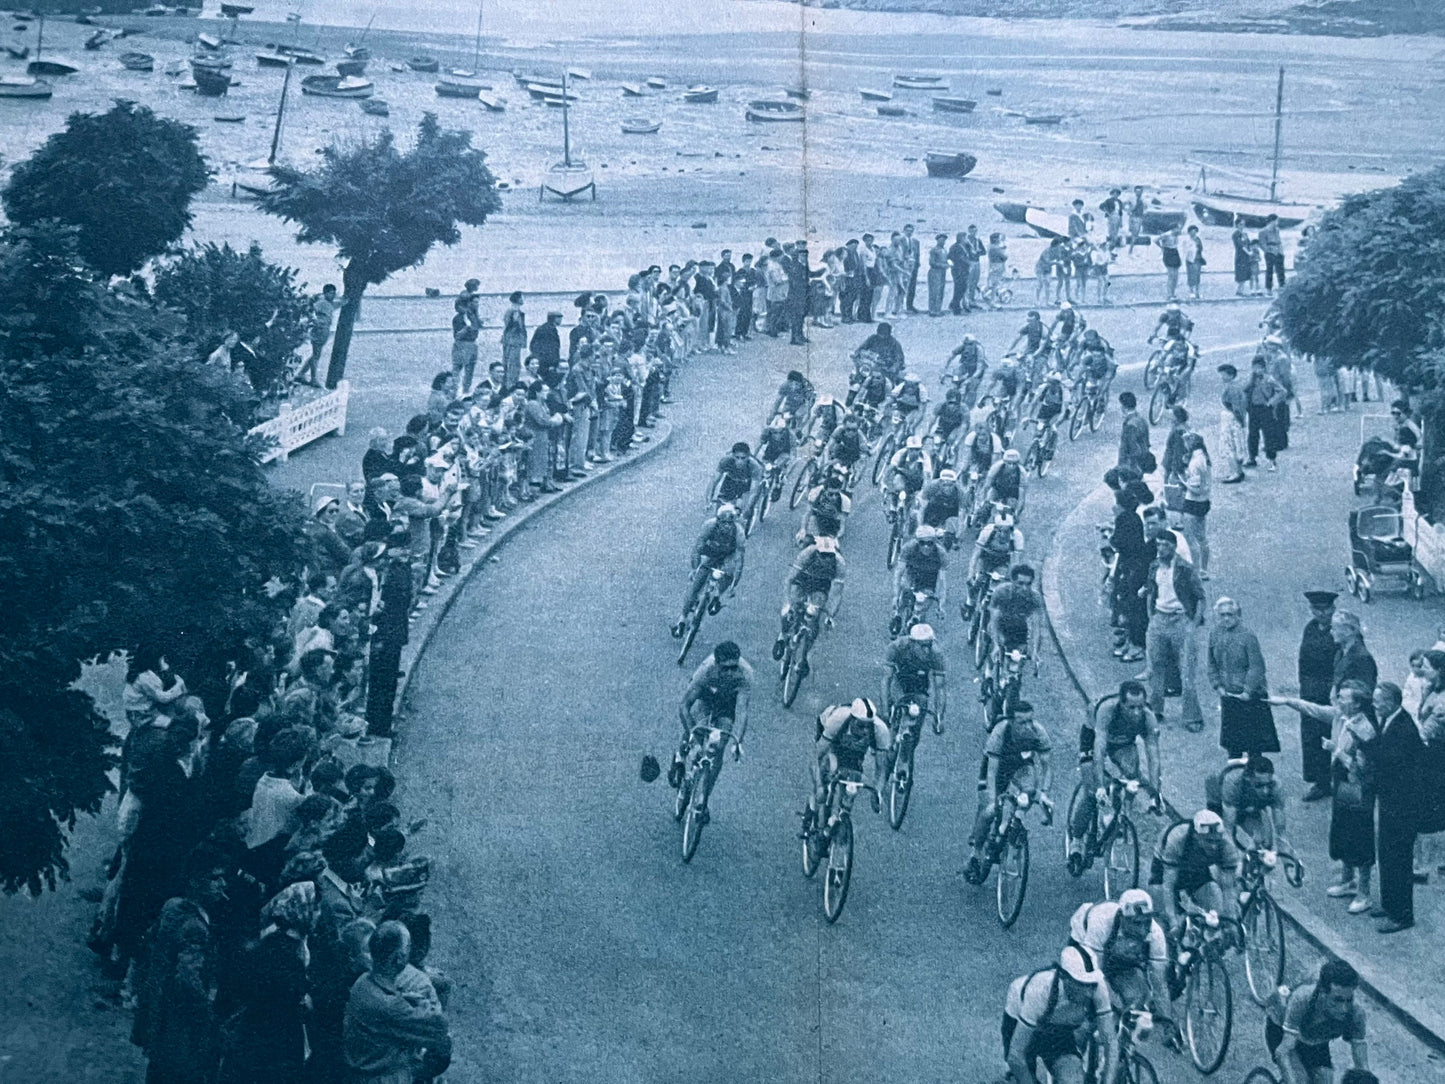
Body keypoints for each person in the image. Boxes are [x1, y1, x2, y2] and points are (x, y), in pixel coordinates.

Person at [1068, 681, 1161, 872]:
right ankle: (1076, 839)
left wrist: (1155, 793)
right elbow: (1099, 748)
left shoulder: (1148, 718)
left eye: (1140, 707)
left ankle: (1121, 814)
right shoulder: (1107, 710)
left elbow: (1153, 755)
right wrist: (1101, 786)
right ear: (1121, 703)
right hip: (1094, 739)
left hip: (1123, 743)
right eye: (1131, 707)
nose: (1137, 713)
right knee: (1092, 791)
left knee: (1132, 777)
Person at [344, 922, 451, 1084]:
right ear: (399, 958)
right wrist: (421, 1003)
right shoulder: (391, 1005)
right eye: (407, 947)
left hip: (362, 1071)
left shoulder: (362, 982)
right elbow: (439, 1027)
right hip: (384, 1077)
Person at [1001, 946, 1119, 1084]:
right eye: (1082, 984)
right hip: (1020, 1023)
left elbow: (1110, 1042)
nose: (1089, 992)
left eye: (1091, 985)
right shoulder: (1040, 991)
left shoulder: (1098, 988)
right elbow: (1015, 1055)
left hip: (1057, 1033)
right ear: (1063, 976)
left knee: (1074, 1080)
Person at [966, 700, 1052, 882]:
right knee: (988, 810)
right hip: (997, 768)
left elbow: (1047, 767)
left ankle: (1012, 823)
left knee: (1028, 793)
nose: (1028, 726)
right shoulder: (1001, 731)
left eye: (1031, 721)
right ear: (1011, 721)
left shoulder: (1038, 732)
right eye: (1022, 722)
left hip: (1020, 767)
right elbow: (991, 771)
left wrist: (1043, 793)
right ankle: (976, 852)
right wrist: (992, 800)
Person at [1069, 890, 1171, 1021]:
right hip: (1085, 944)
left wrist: (1168, 1024)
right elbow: (1094, 975)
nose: (1142, 930)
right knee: (1084, 1005)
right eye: (1136, 923)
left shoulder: (1156, 934)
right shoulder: (1101, 921)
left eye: (1146, 922)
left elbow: (1160, 986)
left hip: (1118, 959)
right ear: (1122, 918)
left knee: (1137, 997)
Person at [1370, 682, 1423, 932]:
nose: (1374, 704)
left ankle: (1402, 915)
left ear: (1390, 702)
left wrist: (1367, 745)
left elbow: (1392, 762)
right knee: (1386, 854)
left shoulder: (1403, 727)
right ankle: (1389, 903)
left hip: (1402, 805)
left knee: (1398, 858)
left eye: (1378, 700)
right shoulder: (1390, 720)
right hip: (1391, 801)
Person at [1265, 960, 1370, 1084]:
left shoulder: (1356, 1013)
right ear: (1322, 993)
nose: (1344, 1009)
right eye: (1337, 1000)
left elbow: (1362, 1067)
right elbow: (1283, 1051)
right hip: (1282, 1033)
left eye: (1349, 1000)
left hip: (1315, 1042)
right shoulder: (1302, 999)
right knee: (1300, 1081)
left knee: (1325, 1081)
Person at [671, 641, 752, 785]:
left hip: (727, 702)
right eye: (725, 668)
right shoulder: (705, 671)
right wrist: (692, 734)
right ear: (716, 663)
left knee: (720, 746)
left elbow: (742, 710)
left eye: (734, 668)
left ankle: (704, 797)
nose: (730, 673)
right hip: (706, 696)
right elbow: (684, 706)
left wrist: (738, 741)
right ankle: (680, 757)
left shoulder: (745, 674)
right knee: (697, 726)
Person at [1208, 597, 1280, 758]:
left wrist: (1247, 691)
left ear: (1238, 615)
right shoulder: (1215, 634)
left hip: (1250, 697)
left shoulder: (1248, 636)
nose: (1226, 618)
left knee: (1254, 743)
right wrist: (1217, 685)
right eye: (1222, 615)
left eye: (1230, 614)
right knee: (1233, 744)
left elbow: (1257, 666)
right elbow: (1211, 663)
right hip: (1228, 695)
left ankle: (1255, 776)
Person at [805, 699, 890, 830]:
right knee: (827, 768)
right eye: (860, 726)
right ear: (851, 720)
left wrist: (877, 793)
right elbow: (815, 757)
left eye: (868, 726)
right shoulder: (837, 720)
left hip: (854, 751)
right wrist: (819, 786)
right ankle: (811, 808)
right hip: (830, 733)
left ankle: (839, 818)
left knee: (853, 775)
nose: (865, 731)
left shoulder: (881, 730)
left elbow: (881, 769)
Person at [1153, 808, 1241, 936]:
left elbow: (1228, 889)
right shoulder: (1177, 839)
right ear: (1195, 835)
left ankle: (1204, 944)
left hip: (1197, 872)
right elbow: (1168, 886)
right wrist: (1173, 921)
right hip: (1164, 872)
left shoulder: (1227, 845)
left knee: (1217, 913)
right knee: (1167, 920)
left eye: (1217, 841)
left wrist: (1231, 923)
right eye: (1208, 841)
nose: (1214, 846)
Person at [672, 505, 745, 637]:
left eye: (730, 523)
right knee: (695, 585)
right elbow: (697, 548)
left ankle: (716, 596)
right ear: (718, 520)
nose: (727, 526)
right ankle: (682, 619)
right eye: (724, 522)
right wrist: (694, 568)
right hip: (711, 552)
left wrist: (734, 584)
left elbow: (739, 560)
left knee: (728, 573)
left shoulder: (739, 532)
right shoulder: (709, 525)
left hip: (728, 555)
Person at [775, 535, 845, 660]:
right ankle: (783, 635)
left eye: (829, 555)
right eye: (823, 554)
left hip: (821, 585)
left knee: (814, 616)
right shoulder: (807, 553)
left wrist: (830, 615)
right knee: (789, 610)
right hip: (802, 580)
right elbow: (790, 579)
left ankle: (805, 655)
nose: (826, 558)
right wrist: (788, 602)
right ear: (817, 550)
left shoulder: (839, 562)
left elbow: (837, 593)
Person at [1207, 753, 1287, 852]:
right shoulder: (1232, 784)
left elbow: (1281, 833)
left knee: (1264, 843)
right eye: (1259, 785)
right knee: (1217, 839)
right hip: (1220, 797)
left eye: (1268, 785)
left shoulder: (1276, 786)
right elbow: (1228, 828)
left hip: (1247, 801)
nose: (1265, 791)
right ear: (1247, 778)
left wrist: (1289, 861)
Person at [882, 622, 947, 735]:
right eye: (922, 646)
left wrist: (939, 717)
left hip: (920, 683)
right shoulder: (896, 647)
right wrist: (885, 709)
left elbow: (940, 687)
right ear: (912, 643)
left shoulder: (936, 654)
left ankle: (910, 743)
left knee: (920, 708)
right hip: (899, 679)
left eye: (929, 645)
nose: (927, 650)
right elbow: (886, 679)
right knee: (896, 701)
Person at [966, 505, 1025, 612]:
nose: (1002, 535)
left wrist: (1010, 579)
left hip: (1002, 562)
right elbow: (976, 555)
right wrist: (971, 573)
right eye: (999, 531)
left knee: (997, 588)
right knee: (975, 582)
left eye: (1006, 531)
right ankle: (969, 603)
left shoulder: (1017, 537)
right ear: (995, 528)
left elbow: (1015, 563)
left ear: (1011, 530)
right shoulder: (987, 531)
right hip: (986, 559)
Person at [892, 525, 948, 632]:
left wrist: (941, 605)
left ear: (934, 542)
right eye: (922, 543)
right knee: (906, 588)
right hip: (912, 573)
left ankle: (916, 617)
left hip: (930, 577)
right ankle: (898, 614)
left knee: (928, 598)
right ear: (917, 542)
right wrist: (895, 596)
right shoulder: (908, 548)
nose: (926, 547)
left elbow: (942, 581)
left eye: (930, 543)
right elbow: (899, 573)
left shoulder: (941, 554)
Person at [1179, 433, 1211, 579]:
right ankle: (1204, 570)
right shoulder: (1204, 458)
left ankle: (1195, 570)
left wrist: (1183, 482)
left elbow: (1196, 488)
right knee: (1202, 538)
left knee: (1190, 539)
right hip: (1204, 502)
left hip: (1192, 502)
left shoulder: (1195, 463)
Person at [297, 284, 339, 388]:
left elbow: (339, 304)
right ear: (325, 293)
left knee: (316, 355)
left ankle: (301, 374)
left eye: (334, 293)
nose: (332, 295)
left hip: (324, 330)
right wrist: (315, 321)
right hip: (319, 330)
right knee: (316, 355)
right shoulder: (321, 303)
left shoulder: (330, 304)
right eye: (330, 293)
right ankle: (313, 379)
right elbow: (310, 310)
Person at [798, 464, 852, 546]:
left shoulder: (845, 501)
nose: (834, 497)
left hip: (832, 522)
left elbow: (842, 524)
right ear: (824, 490)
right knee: (806, 541)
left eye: (836, 494)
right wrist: (803, 529)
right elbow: (808, 513)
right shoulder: (815, 492)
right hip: (817, 517)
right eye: (830, 494)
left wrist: (834, 538)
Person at [709, 441, 764, 520]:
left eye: (743, 458)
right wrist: (709, 500)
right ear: (732, 455)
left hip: (746, 484)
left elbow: (753, 491)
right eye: (737, 457)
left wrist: (748, 507)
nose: (740, 461)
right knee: (720, 511)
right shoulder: (726, 461)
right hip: (730, 481)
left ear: (748, 457)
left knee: (740, 509)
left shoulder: (755, 467)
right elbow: (714, 480)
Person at [1217, 363, 1249, 483]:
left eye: (1224, 375)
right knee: (1236, 444)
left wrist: (1240, 420)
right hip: (1233, 417)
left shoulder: (1232, 389)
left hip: (1231, 418)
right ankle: (1238, 471)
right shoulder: (1235, 386)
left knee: (1229, 445)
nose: (1222, 377)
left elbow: (1236, 407)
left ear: (1230, 375)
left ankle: (1235, 472)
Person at [982, 447, 1026, 517]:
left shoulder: (1022, 473)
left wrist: (1017, 513)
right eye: (1009, 463)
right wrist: (984, 500)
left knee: (1010, 512)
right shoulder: (996, 467)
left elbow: (1022, 496)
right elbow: (987, 485)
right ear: (1005, 462)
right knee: (986, 507)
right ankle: (981, 522)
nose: (1011, 466)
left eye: (1014, 464)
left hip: (1013, 493)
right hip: (997, 489)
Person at [1116, 392, 1151, 477]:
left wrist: (1121, 466)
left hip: (1132, 466)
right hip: (1142, 462)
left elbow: (1128, 448)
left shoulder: (1130, 425)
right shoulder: (1142, 420)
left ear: (1124, 407)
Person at [1259, 214, 1286, 294]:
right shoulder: (1263, 231)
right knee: (1269, 271)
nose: (1278, 222)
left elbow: (1279, 240)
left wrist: (1281, 251)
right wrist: (1267, 250)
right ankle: (1269, 289)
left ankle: (1282, 286)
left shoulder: (1277, 230)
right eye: (1277, 220)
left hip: (1279, 251)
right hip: (1270, 252)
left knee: (1281, 270)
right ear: (1272, 221)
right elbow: (1262, 243)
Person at [1183, 225, 1206, 299]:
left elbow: (1201, 248)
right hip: (1190, 259)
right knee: (1191, 276)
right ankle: (1191, 291)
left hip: (1198, 259)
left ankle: (1197, 291)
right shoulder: (1187, 240)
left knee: (1197, 276)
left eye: (1195, 232)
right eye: (1192, 232)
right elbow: (1185, 250)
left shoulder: (1198, 239)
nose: (1193, 233)